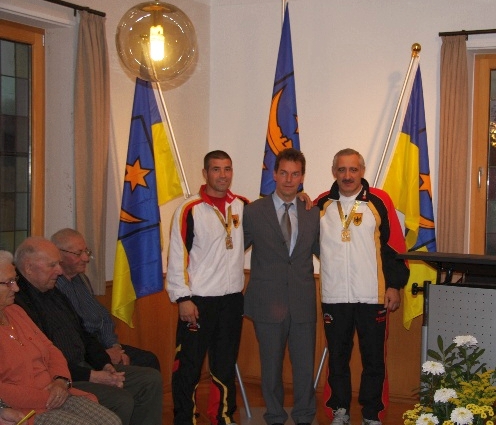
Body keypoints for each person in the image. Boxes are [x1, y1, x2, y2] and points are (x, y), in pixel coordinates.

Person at [12, 237, 163, 425]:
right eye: (52, 265)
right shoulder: (18, 304)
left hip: (85, 365)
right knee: (120, 399)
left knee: (150, 379)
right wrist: (92, 376)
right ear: (28, 268)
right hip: (65, 377)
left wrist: (104, 364)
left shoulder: (53, 292)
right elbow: (45, 358)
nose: (59, 271)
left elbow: (83, 333)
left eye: (58, 264)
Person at [315, 148, 410, 425]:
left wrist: (394, 286)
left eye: (353, 169)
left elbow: (394, 247)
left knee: (374, 360)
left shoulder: (379, 201)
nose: (347, 175)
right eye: (342, 169)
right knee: (337, 358)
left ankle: (372, 413)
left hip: (373, 296)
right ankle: (339, 411)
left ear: (362, 171)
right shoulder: (321, 204)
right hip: (334, 295)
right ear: (334, 172)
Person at [166, 150, 248, 425]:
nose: (223, 175)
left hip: (232, 300)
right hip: (198, 301)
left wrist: (301, 197)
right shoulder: (190, 209)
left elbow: (273, 210)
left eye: (227, 169)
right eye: (216, 169)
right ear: (205, 173)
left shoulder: (241, 206)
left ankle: (222, 416)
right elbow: (177, 255)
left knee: (224, 364)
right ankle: (185, 419)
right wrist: (182, 298)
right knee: (188, 365)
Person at [243, 148, 320, 425]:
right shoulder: (253, 211)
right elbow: (231, 251)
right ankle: (274, 416)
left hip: (302, 302)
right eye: (284, 173)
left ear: (302, 177)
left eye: (295, 174)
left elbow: (328, 253)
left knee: (304, 367)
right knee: (271, 367)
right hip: (267, 301)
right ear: (274, 174)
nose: (289, 180)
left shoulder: (313, 213)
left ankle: (304, 416)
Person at [0, 250, 121, 425]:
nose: (16, 288)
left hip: (57, 392)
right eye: (8, 283)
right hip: (24, 409)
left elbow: (51, 349)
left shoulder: (15, 312)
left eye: (15, 280)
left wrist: (61, 380)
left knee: (112, 421)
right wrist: (50, 395)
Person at [50, 228, 160, 370]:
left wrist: (115, 347)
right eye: (78, 253)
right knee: (143, 370)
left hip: (103, 345)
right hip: (82, 354)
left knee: (148, 359)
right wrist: (101, 354)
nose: (86, 258)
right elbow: (70, 334)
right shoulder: (52, 287)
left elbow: (104, 319)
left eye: (86, 252)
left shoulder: (82, 280)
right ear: (59, 254)